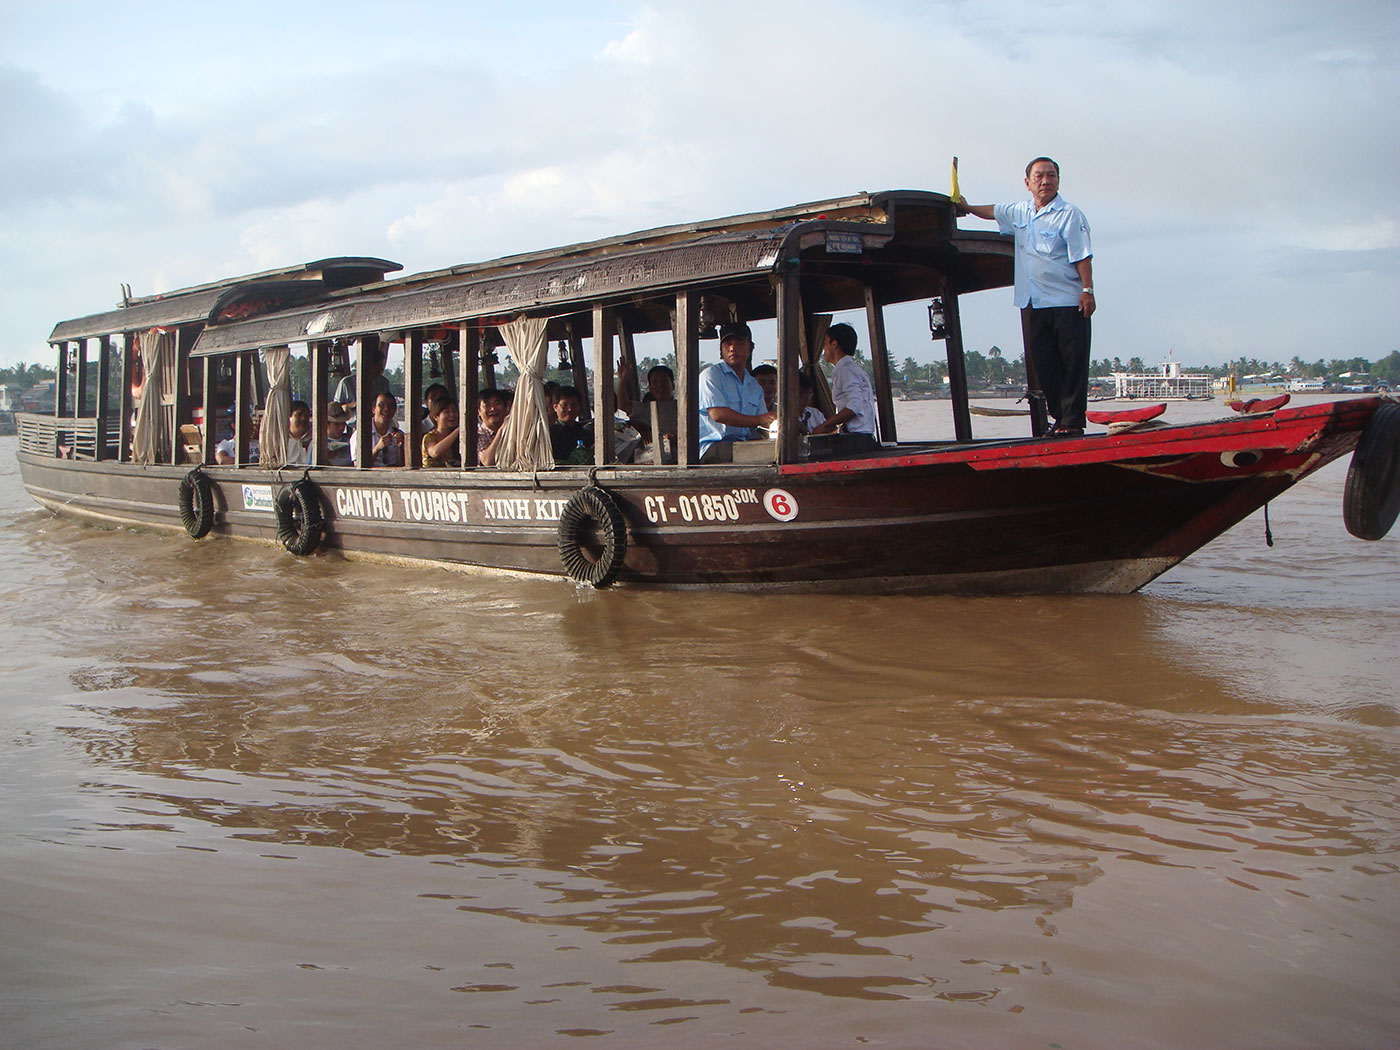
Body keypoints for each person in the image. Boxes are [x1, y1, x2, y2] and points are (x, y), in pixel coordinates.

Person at [959, 156, 1095, 435]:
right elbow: (993, 211)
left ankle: (1072, 422)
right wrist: (966, 207)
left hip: (1069, 301)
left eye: (1051, 176)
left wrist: (1087, 290)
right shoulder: (1019, 212)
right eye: (1039, 176)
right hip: (1035, 302)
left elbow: (1082, 255)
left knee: (1072, 363)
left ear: (1058, 180)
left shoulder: (1070, 214)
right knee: (1044, 363)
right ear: (1028, 183)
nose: (1046, 181)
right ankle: (1061, 418)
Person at [698, 322, 776, 462]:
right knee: (760, 456)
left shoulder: (754, 385)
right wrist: (760, 419)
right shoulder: (711, 376)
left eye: (739, 343)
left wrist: (778, 423)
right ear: (721, 349)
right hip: (713, 447)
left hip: (742, 445)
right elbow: (718, 414)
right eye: (727, 344)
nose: (733, 348)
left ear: (750, 348)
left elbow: (764, 424)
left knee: (778, 452)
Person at [811, 323, 876, 438]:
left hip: (856, 437)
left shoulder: (846, 371)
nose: (823, 349)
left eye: (825, 343)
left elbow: (855, 407)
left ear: (834, 344)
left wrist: (824, 426)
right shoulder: (850, 369)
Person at [333, 342, 391, 411]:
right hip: (352, 421)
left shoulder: (384, 383)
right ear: (368, 366)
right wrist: (354, 404)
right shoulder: (346, 383)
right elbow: (335, 409)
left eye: (381, 366)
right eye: (378, 366)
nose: (381, 369)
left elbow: (389, 403)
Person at [351, 391, 405, 466]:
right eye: (381, 405)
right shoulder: (360, 435)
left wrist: (400, 448)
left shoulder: (399, 434)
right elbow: (357, 465)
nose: (386, 409)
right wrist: (377, 448)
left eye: (391, 406)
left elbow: (403, 466)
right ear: (373, 409)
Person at [549, 385, 593, 464]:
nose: (569, 409)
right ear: (555, 407)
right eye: (564, 405)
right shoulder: (550, 433)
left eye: (574, 405)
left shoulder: (584, 433)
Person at [476, 387, 510, 467]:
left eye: (497, 403)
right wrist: (501, 431)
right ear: (479, 412)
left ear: (506, 408)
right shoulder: (478, 434)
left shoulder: (513, 430)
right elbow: (487, 461)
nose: (492, 408)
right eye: (487, 405)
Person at [422, 400, 461, 467]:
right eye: (447, 412)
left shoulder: (458, 437)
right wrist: (458, 430)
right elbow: (435, 452)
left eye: (454, 411)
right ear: (436, 417)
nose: (452, 415)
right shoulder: (430, 437)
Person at [285, 400, 313, 464]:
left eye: (306, 415)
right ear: (290, 416)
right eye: (299, 415)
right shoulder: (282, 440)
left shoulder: (314, 439)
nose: (303, 418)